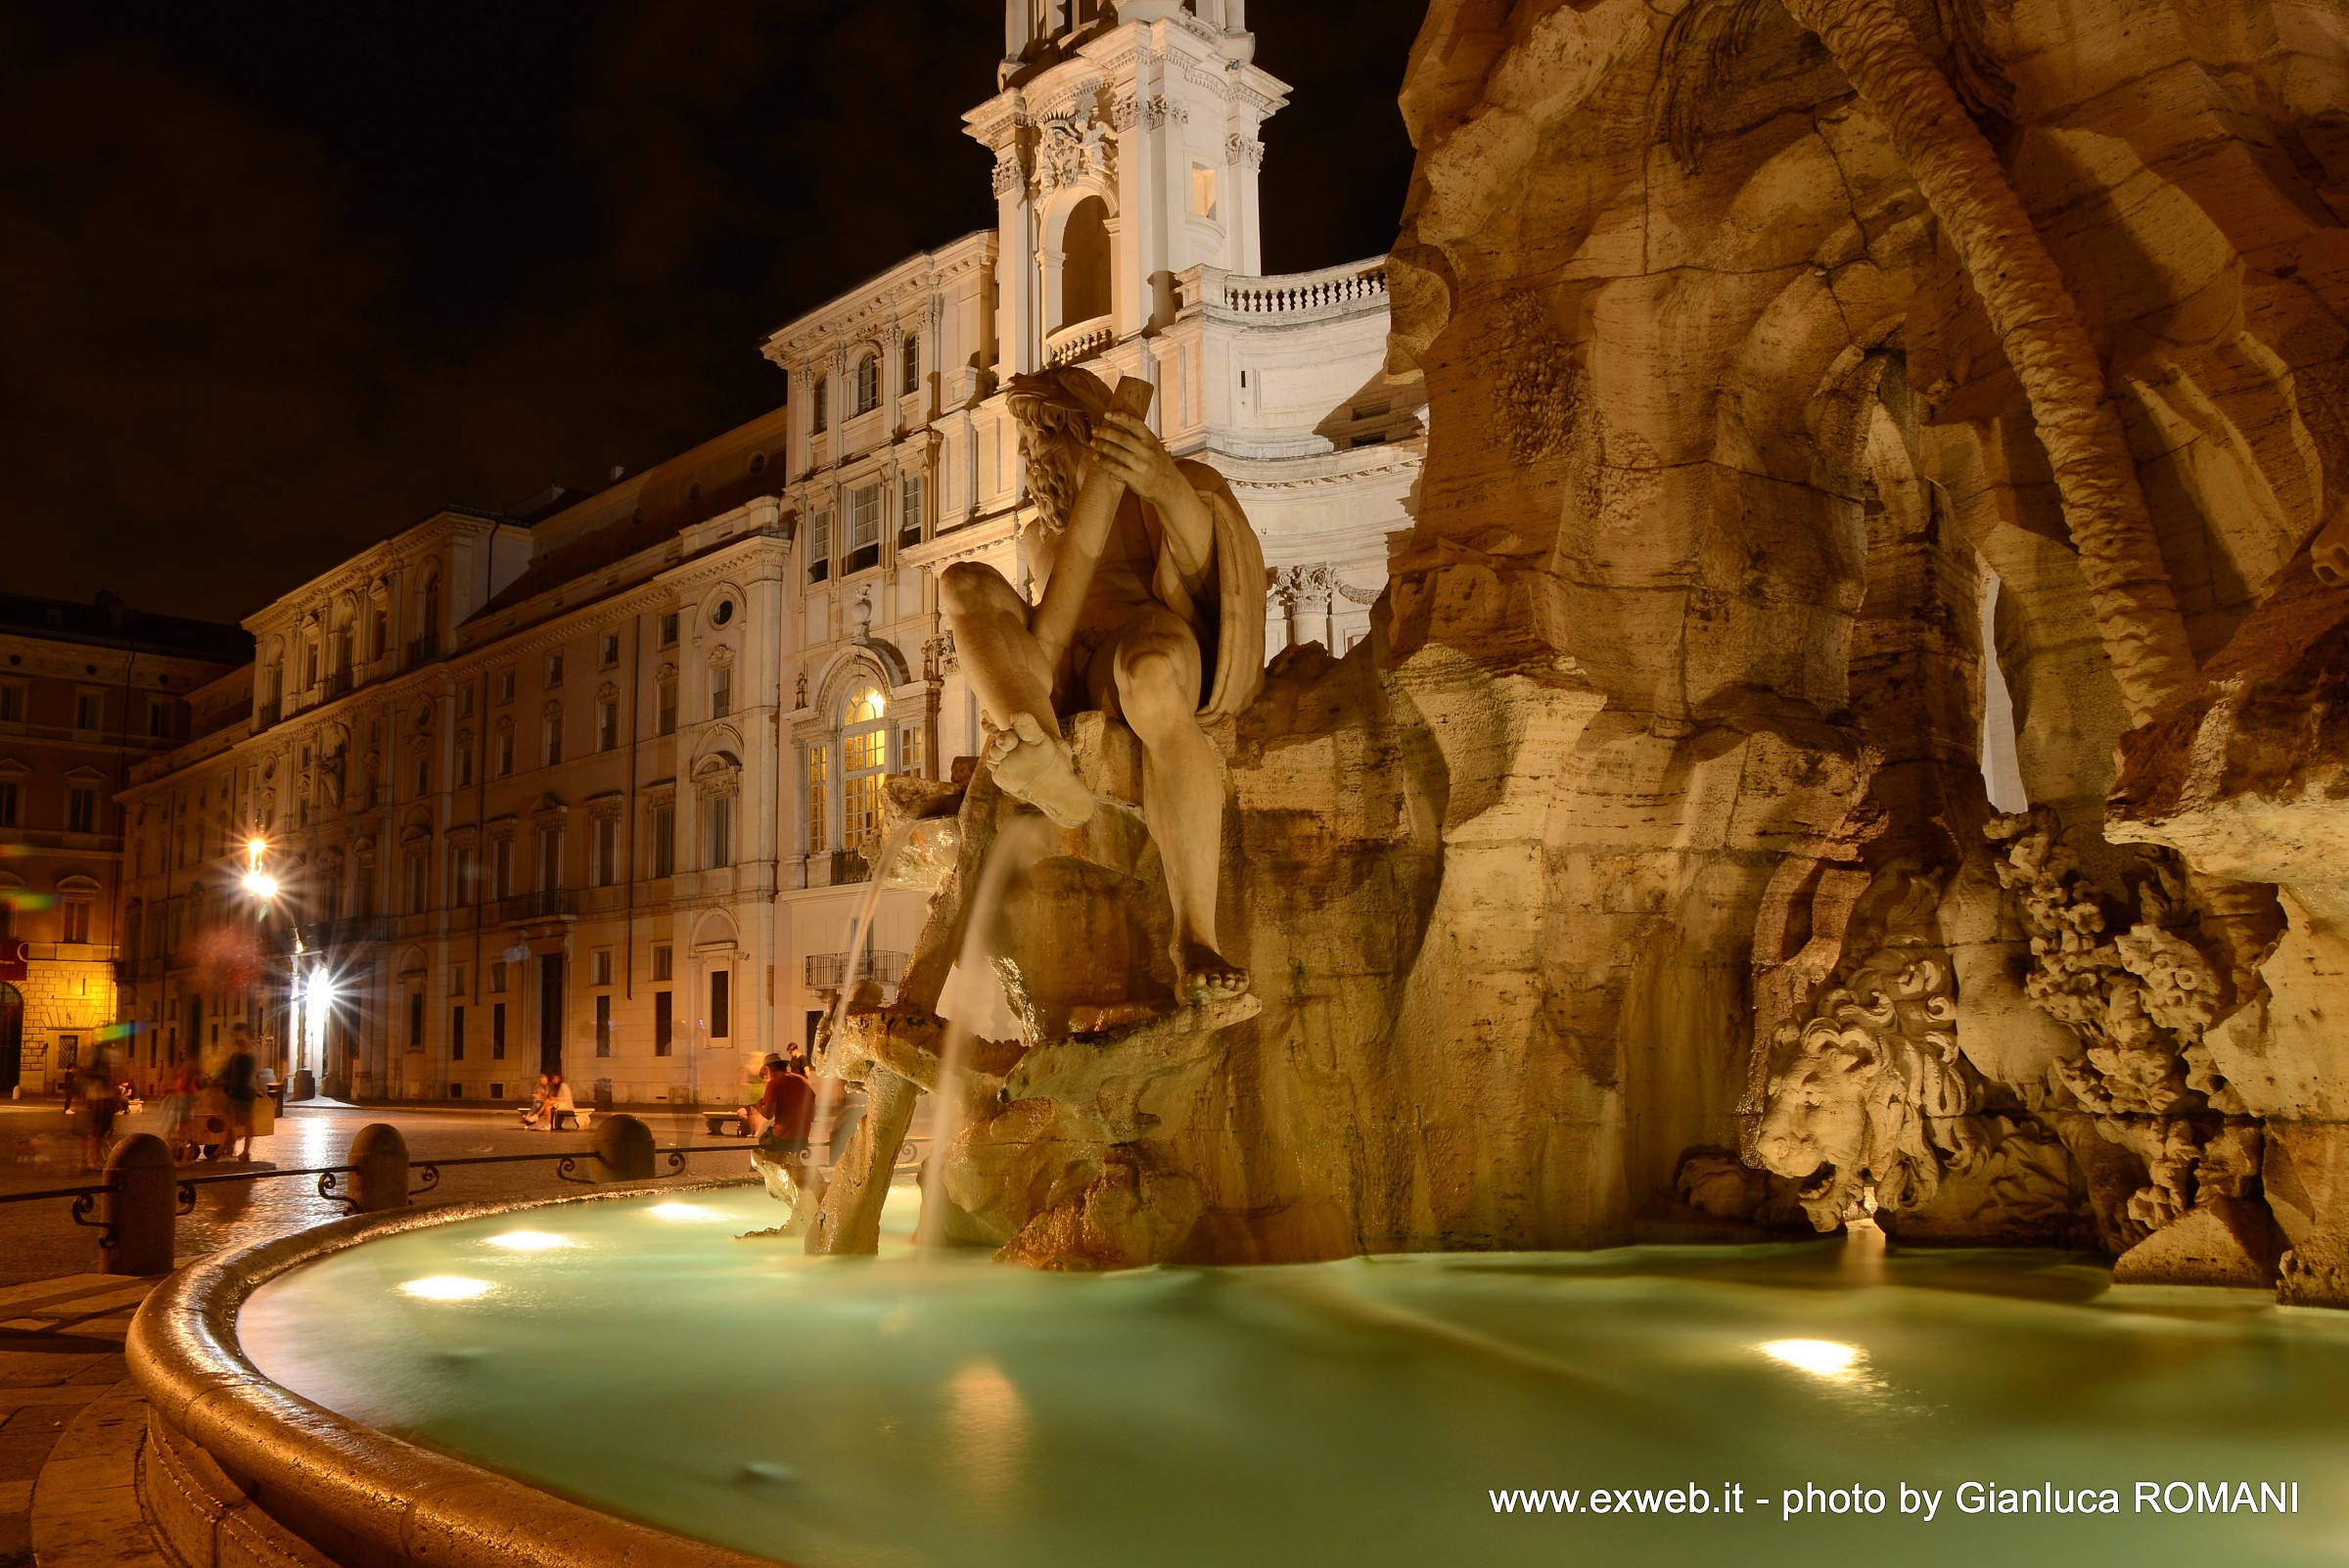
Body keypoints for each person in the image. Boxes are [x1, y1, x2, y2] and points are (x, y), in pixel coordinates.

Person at [936, 366, 1266, 1003]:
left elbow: (1218, 581)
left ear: (1087, 429)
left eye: (1043, 438)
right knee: (961, 582)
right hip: (1066, 668)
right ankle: (1041, 752)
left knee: (1151, 672)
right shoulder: (1040, 537)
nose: (1033, 460)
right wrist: (1031, 681)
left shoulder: (1166, 486)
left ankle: (1195, 933)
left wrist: (1164, 486)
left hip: (1150, 637)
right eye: (1027, 446)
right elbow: (1048, 636)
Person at [742, 1053, 817, 1232]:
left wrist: (758, 1106)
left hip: (783, 1137)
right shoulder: (804, 1082)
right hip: (802, 1138)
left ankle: (754, 1182)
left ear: (769, 1069)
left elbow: (768, 1114)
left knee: (760, 1148)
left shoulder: (774, 1084)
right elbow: (813, 1115)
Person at [213, 1023, 259, 1162]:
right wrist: (213, 1077)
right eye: (235, 1035)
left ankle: (244, 1151)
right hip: (236, 1089)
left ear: (246, 1034)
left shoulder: (250, 1052)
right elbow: (227, 1068)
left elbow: (246, 1073)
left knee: (246, 1121)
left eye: (239, 1034)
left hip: (245, 1090)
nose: (236, 1037)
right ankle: (226, 1148)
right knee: (229, 1119)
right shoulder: (237, 1052)